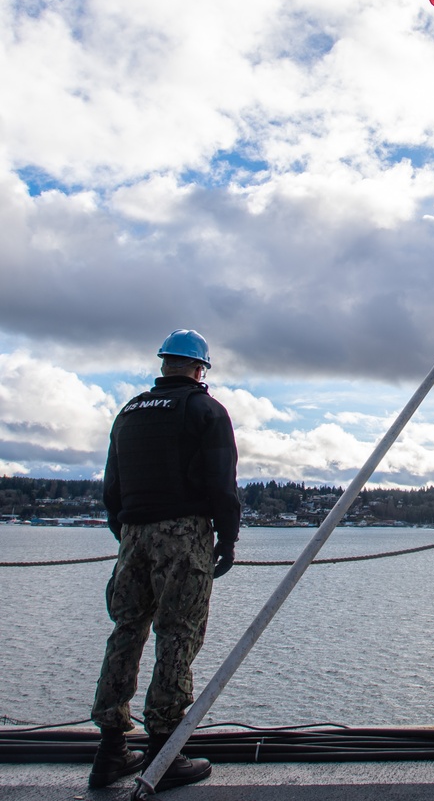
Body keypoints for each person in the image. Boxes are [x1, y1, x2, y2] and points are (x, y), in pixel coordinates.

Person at [89, 329, 241, 789]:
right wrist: (227, 539)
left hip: (133, 535)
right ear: (200, 368)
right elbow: (222, 483)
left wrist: (128, 533)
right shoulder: (206, 411)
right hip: (183, 534)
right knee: (177, 634)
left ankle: (110, 749)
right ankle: (163, 751)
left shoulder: (129, 412)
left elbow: (112, 487)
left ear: (163, 364)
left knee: (126, 630)